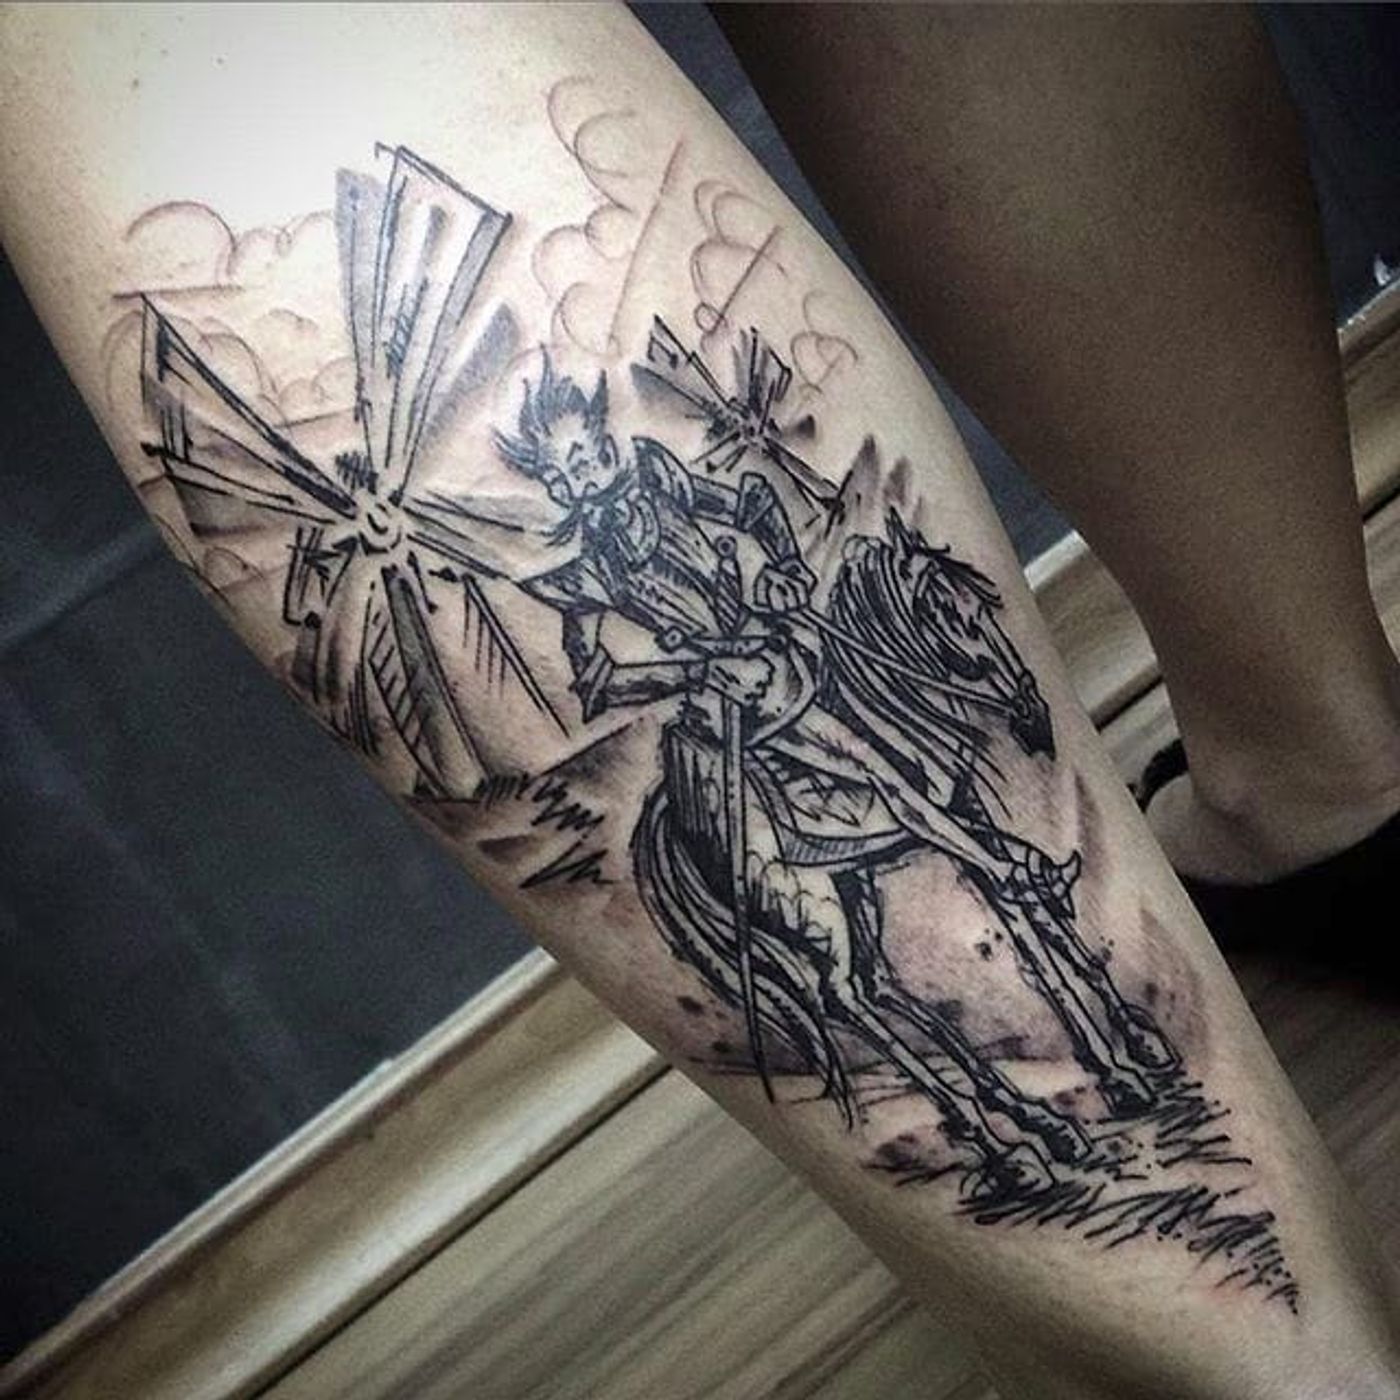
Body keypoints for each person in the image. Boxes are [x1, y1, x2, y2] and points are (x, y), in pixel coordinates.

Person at [1, 6, 1396, 1398]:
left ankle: (1328, 787)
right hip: (733, 722)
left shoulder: (667, 481)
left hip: (792, 653)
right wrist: (686, 670)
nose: (588, 476)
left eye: (590, 457)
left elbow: (757, 525)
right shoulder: (585, 565)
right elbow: (604, 671)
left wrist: (771, 577)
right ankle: (1276, 1327)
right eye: (567, 473)